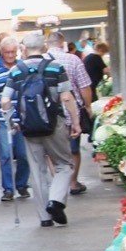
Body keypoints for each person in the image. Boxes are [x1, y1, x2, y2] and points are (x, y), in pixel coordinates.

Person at [1, 32, 81, 227]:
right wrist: (76, 122)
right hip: (54, 125)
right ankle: (55, 201)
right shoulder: (55, 67)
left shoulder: (16, 71)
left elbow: (5, 100)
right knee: (64, 165)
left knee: (37, 170)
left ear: (24, 49)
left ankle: (44, 218)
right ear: (44, 47)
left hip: (28, 127)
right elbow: (67, 97)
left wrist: (12, 122)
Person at [0, 37, 31, 202]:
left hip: (22, 118)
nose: (10, 55)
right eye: (7, 52)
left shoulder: (22, 67)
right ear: (1, 52)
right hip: (2, 117)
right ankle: (8, 189)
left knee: (23, 154)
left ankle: (22, 184)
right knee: (6, 154)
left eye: (13, 52)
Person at [46, 31, 92, 195]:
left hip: (50, 113)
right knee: (73, 149)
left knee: (53, 151)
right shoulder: (73, 59)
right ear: (62, 43)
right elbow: (84, 86)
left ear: (47, 44)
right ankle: (72, 182)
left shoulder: (42, 61)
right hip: (73, 111)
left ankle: (58, 181)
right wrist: (88, 106)